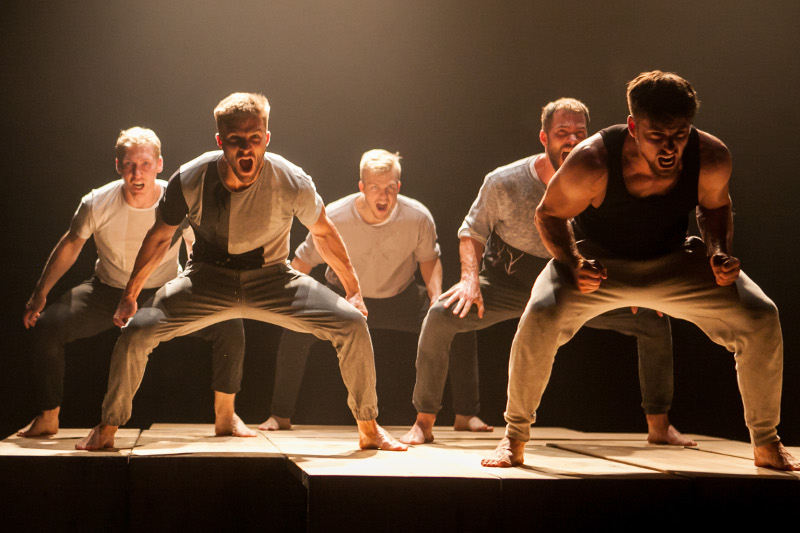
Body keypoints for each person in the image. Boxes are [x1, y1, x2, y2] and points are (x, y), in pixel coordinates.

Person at [482, 71, 799, 470]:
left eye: (679, 135)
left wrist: (719, 252)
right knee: (541, 314)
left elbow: (716, 207)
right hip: (599, 265)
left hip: (672, 262)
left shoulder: (711, 155)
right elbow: (547, 215)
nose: (669, 148)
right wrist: (573, 263)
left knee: (761, 316)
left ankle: (766, 442)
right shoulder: (593, 160)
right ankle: (513, 437)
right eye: (657, 136)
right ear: (633, 127)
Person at [76, 93, 406, 452]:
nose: (246, 149)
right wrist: (129, 295)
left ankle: (369, 427)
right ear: (221, 141)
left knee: (352, 325)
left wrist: (353, 291)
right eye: (236, 140)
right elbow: (159, 238)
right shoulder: (191, 177)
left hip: (273, 279)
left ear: (267, 138)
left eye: (254, 138)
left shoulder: (290, 179)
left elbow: (324, 233)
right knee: (136, 332)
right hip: (206, 280)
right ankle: (107, 427)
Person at [402, 98, 688, 446]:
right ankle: (424, 421)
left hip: (573, 283)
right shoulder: (504, 181)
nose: (572, 139)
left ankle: (659, 425)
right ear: (544, 138)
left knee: (652, 320)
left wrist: (635, 284)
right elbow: (472, 232)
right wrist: (469, 279)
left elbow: (628, 233)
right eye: (562, 132)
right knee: (440, 315)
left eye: (579, 133)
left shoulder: (602, 178)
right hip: (508, 283)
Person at [20, 127, 247, 438]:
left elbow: (196, 248)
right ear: (118, 166)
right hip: (107, 291)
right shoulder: (96, 202)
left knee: (230, 324)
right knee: (48, 326)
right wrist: (39, 293)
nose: (137, 173)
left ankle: (226, 415)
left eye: (145, 164)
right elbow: (71, 244)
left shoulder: (177, 199)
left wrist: (202, 291)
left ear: (159, 164)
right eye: (129, 164)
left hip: (164, 293)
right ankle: (48, 416)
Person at [260, 149, 479, 431]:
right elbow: (302, 262)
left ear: (399, 186)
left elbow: (429, 260)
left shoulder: (417, 217)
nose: (383, 196)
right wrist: (286, 300)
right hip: (343, 298)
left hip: (401, 298)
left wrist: (436, 298)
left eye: (390, 188)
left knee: (455, 320)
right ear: (362, 187)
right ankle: (280, 415)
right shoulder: (335, 215)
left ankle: (466, 415)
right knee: (295, 329)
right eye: (375, 187)